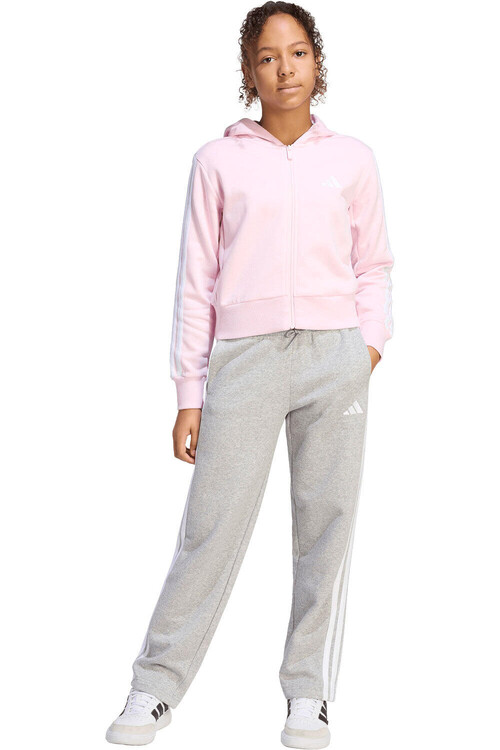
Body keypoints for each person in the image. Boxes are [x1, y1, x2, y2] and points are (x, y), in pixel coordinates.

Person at [105, 3, 394, 748]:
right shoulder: (217, 161)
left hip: (335, 358)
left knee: (326, 529)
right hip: (245, 359)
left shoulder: (353, 159)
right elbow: (194, 281)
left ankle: (308, 695)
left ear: (317, 63)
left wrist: (366, 349)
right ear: (248, 71)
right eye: (268, 57)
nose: (284, 69)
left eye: (297, 53)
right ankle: (155, 685)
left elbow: (374, 265)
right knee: (211, 527)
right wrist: (188, 394)